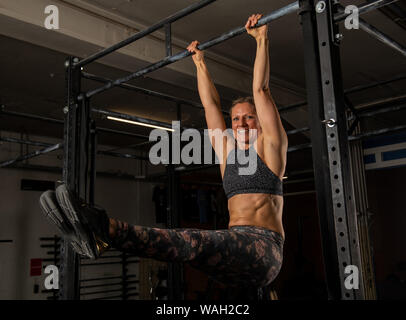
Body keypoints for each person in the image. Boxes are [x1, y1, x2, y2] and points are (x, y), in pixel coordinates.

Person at [39, 14, 288, 292]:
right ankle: (99, 236)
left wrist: (261, 39)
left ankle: (104, 229)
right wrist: (200, 63)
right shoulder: (227, 151)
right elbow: (210, 107)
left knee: (193, 241)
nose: (241, 123)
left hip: (265, 251)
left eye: (249, 117)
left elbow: (261, 89)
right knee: (185, 247)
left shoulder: (270, 148)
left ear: (260, 123)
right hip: (232, 256)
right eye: (237, 119)